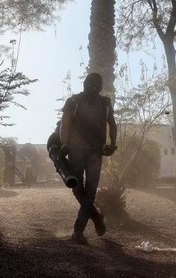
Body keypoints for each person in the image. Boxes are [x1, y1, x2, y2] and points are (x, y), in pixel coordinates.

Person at [59, 72, 118, 244]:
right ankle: (96, 216)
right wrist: (64, 143)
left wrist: (113, 144)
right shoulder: (73, 101)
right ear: (85, 84)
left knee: (88, 190)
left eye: (96, 85)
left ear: (99, 87)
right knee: (79, 188)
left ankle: (78, 230)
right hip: (76, 151)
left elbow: (112, 123)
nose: (93, 87)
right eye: (91, 84)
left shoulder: (105, 103)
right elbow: (66, 122)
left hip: (94, 152)